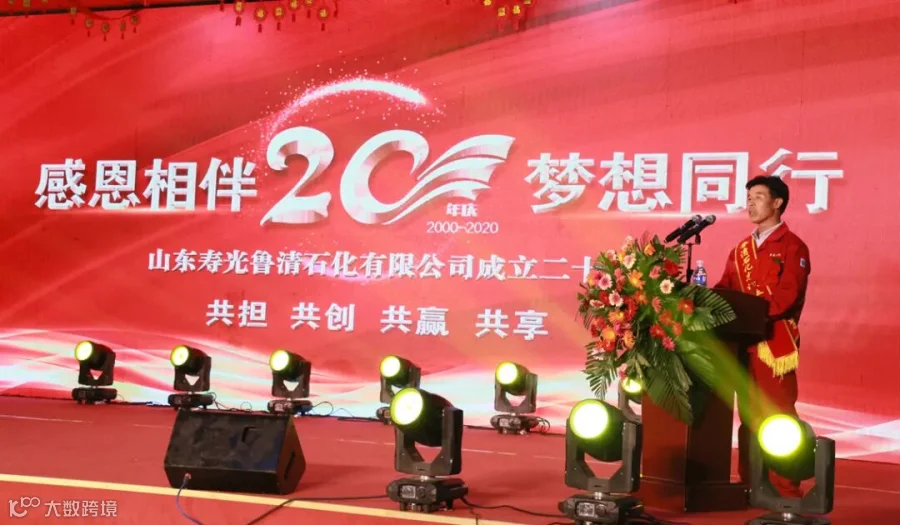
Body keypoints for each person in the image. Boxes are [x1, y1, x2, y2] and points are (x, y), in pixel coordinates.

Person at [715, 175, 810, 498]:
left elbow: (787, 296)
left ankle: (785, 488)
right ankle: (751, 483)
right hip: (743, 342)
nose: (750, 204)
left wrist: (750, 314)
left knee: (779, 413)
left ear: (777, 202)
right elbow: (725, 289)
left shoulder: (792, 246)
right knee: (750, 416)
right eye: (749, 198)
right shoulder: (740, 249)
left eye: (758, 197)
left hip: (774, 343)